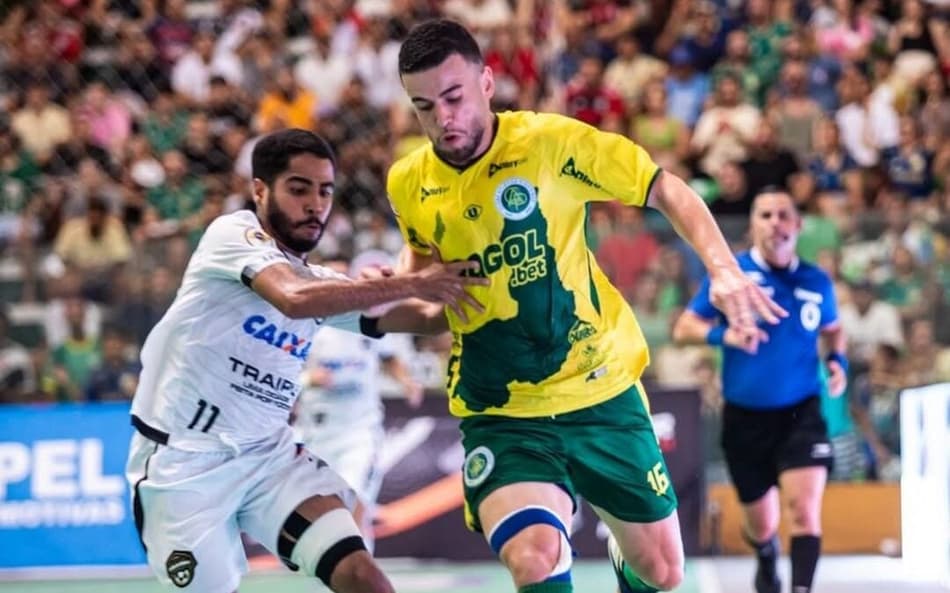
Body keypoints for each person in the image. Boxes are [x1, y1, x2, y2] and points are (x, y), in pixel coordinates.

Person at [387, 19, 785, 593]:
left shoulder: (551, 144)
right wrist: (394, 290)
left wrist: (723, 269)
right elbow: (421, 276)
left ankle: (631, 561)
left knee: (664, 572)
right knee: (536, 556)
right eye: (424, 107)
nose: (443, 118)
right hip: (501, 407)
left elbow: (662, 186)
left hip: (598, 386)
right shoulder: (407, 183)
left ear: (487, 82)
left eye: (454, 97)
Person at [125, 128, 486, 593]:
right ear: (260, 190)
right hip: (182, 465)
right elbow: (294, 299)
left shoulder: (320, 281)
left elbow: (424, 320)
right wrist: (410, 283)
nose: (316, 204)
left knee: (363, 576)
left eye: (325, 191)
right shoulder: (232, 234)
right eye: (299, 189)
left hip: (267, 458)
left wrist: (474, 278)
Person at [673, 188, 848, 593]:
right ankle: (766, 556)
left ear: (798, 225)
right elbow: (684, 329)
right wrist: (724, 336)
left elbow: (833, 329)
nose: (775, 223)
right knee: (762, 524)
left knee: (804, 511)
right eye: (765, 215)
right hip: (745, 417)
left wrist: (838, 363)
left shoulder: (816, 280)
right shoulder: (730, 278)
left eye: (783, 215)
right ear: (753, 225)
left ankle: (802, 588)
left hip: (801, 412)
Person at [293, 252, 423, 549]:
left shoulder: (366, 318)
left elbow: (390, 356)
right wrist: (309, 379)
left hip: (358, 432)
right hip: (316, 432)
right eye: (329, 276)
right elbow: (283, 370)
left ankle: (359, 571)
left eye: (342, 276)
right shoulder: (306, 323)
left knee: (357, 504)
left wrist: (406, 381)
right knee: (323, 514)